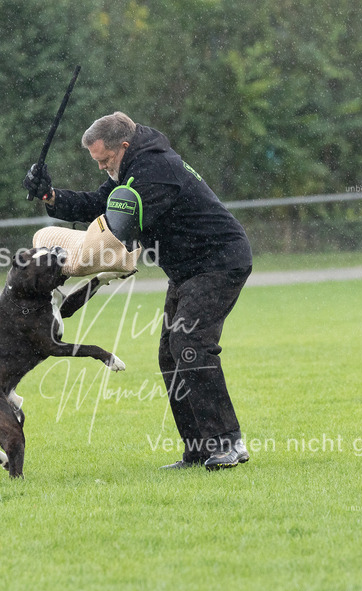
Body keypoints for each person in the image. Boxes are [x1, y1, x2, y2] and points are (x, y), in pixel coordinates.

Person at [23, 111, 253, 470]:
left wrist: (73, 265)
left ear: (124, 146)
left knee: (190, 346)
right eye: (97, 161)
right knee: (170, 353)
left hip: (218, 262)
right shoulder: (131, 170)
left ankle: (228, 443)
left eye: (105, 160)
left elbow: (119, 234)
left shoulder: (155, 172)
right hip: (187, 269)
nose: (102, 167)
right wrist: (51, 197)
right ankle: (199, 450)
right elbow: (99, 205)